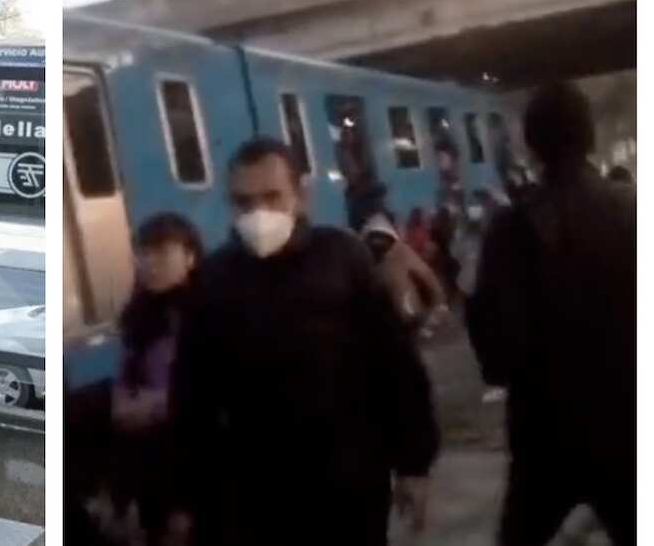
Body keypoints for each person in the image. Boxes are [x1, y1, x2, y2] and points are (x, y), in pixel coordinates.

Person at [166, 138, 438, 546]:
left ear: (302, 196)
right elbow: (192, 396)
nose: (259, 214)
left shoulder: (344, 259)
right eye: (244, 202)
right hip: (257, 491)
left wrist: (414, 463)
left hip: (350, 480)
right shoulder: (215, 280)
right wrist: (187, 497)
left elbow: (396, 365)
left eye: (273, 197)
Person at [465, 83, 635, 546]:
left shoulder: (510, 229)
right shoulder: (635, 211)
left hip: (544, 436)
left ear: (531, 144)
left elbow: (496, 352)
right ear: (591, 137)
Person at [110, 213, 203, 546]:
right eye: (144, 253)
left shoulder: (205, 315)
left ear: (190, 257)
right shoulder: (139, 315)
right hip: (145, 460)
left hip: (193, 466)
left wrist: (155, 403)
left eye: (162, 253)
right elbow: (124, 384)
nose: (150, 263)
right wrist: (128, 406)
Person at [361, 213, 449, 342]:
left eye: (380, 237)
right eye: (374, 238)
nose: (377, 242)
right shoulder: (368, 261)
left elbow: (427, 277)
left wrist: (438, 300)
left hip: (408, 313)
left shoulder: (401, 253)